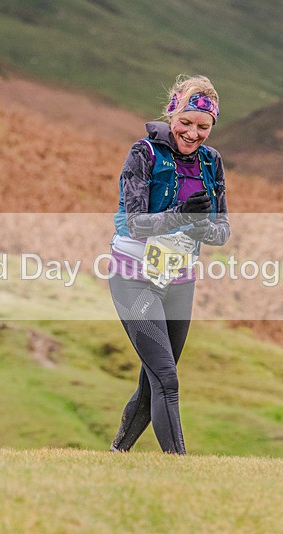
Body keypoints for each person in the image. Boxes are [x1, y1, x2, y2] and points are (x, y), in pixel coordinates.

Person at [108, 74, 230, 455]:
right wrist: (180, 215)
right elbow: (134, 223)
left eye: (203, 127)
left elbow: (223, 231)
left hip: (179, 280)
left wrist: (203, 226)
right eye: (186, 122)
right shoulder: (143, 154)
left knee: (153, 383)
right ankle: (179, 466)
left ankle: (118, 453)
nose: (193, 133)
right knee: (167, 378)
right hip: (133, 277)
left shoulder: (212, 162)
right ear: (172, 115)